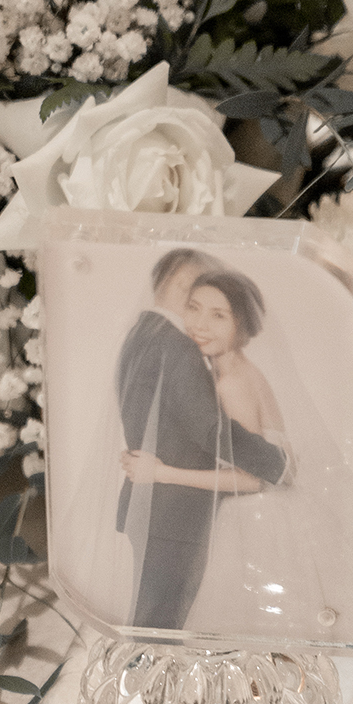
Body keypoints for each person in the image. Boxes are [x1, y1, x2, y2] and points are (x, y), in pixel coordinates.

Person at [114, 249, 287, 631]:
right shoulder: (176, 346)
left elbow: (216, 438)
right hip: (172, 514)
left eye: (217, 314)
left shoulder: (142, 335)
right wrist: (274, 463)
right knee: (160, 623)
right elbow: (208, 429)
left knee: (162, 621)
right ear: (179, 285)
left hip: (176, 507)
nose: (200, 323)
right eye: (194, 304)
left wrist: (277, 464)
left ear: (240, 323)